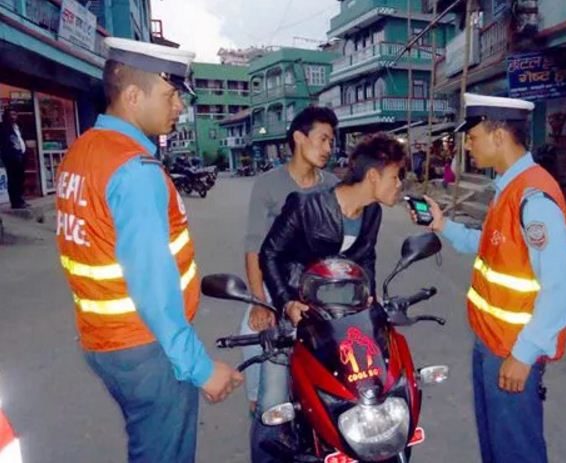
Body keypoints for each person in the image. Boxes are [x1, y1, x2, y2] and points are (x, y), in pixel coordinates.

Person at [54, 37, 243, 463]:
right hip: (146, 348)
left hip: (104, 342)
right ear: (134, 96)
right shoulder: (134, 170)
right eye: (171, 95)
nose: (179, 107)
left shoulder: (81, 154)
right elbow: (153, 289)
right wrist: (200, 367)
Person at [418, 93, 566, 463]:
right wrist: (443, 226)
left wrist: (523, 355)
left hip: (511, 348)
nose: (468, 146)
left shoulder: (533, 197)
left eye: (472, 137)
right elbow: (493, 247)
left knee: (516, 451)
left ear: (499, 135)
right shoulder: (508, 189)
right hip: (489, 343)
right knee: (496, 448)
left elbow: (561, 287)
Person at [253, 133, 405, 462]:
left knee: (357, 388)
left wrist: (371, 299)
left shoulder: (372, 212)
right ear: (374, 176)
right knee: (272, 405)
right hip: (297, 311)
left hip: (342, 315)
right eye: (396, 176)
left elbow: (365, 259)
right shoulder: (307, 205)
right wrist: (286, 303)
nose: (399, 185)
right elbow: (269, 255)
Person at [241, 106, 340, 460]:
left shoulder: (332, 186)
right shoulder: (269, 185)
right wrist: (258, 302)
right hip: (274, 287)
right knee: (270, 394)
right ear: (299, 138)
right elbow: (255, 249)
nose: (329, 147)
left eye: (332, 140)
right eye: (322, 138)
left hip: (320, 293)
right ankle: (260, 419)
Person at [0, 107, 28, 209]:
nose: (14, 117)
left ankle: (21, 199)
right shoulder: (3, 127)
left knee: (20, 179)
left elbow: (20, 139)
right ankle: (15, 202)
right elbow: (5, 143)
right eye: (11, 114)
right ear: (6, 116)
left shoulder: (17, 127)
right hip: (11, 157)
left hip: (20, 156)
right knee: (13, 179)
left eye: (15, 114)